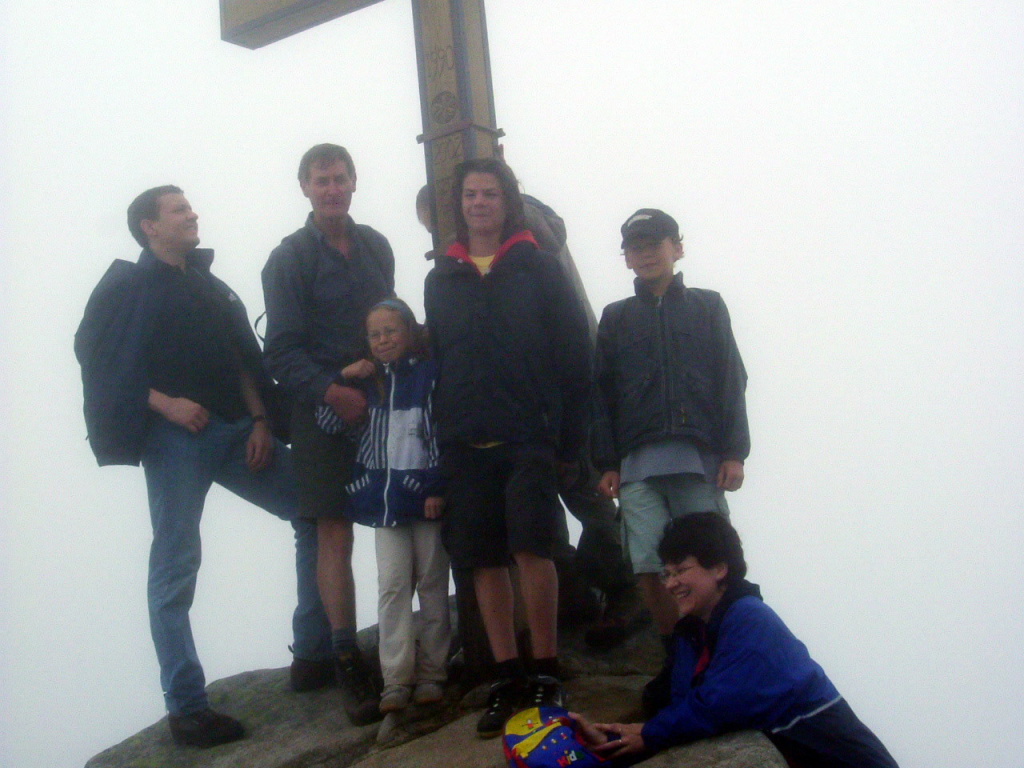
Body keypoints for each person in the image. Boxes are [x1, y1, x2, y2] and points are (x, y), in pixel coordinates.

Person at [75, 185, 331, 748]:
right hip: (174, 441)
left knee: (316, 509)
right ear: (149, 226)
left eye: (189, 207)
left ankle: (315, 654)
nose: (192, 215)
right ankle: (188, 710)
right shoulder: (125, 286)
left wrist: (261, 420)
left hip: (238, 430)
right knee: (175, 568)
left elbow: (241, 356)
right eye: (178, 210)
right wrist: (167, 404)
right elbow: (97, 360)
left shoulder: (208, 285)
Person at [416, 184, 641, 649]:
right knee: (548, 516)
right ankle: (579, 595)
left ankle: (621, 589)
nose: (477, 207)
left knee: (583, 493)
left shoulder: (528, 248)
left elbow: (564, 342)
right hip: (509, 409)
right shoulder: (457, 272)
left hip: (550, 398)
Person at [423, 157, 592, 738]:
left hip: (528, 434)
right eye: (470, 194)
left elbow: (574, 356)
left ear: (507, 201)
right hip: (464, 439)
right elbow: (439, 359)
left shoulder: (538, 267)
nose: (479, 203)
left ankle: (545, 670)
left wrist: (570, 440)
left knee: (532, 548)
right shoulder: (441, 278)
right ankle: (506, 675)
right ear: (459, 204)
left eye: (489, 194)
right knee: (483, 558)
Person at [572, 513, 900, 768]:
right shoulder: (692, 633)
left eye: (681, 570)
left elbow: (723, 702)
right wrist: (607, 738)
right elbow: (673, 708)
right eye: (666, 574)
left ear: (719, 569)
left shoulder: (751, 618)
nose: (670, 584)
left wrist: (648, 733)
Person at [261, 144, 395, 725]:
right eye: (322, 180)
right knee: (332, 531)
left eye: (340, 178)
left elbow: (388, 322)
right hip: (318, 409)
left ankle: (404, 642)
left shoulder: (376, 247)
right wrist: (331, 389)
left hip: (380, 401)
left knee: (398, 516)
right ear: (305, 188)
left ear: (354, 182)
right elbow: (280, 352)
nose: (332, 189)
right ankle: (346, 657)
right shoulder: (287, 259)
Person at [591, 208, 750, 654]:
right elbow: (601, 394)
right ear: (625, 258)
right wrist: (606, 463)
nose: (645, 255)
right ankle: (676, 655)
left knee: (712, 561)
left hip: (698, 459)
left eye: (654, 244)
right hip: (636, 465)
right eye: (635, 248)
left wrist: (734, 452)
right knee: (648, 563)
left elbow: (731, 378)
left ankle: (723, 650)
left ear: (677, 248)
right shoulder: (615, 317)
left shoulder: (708, 306)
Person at [340, 298, 452, 715]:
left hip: (423, 498)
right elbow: (328, 420)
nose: (383, 340)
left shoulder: (428, 375)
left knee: (432, 582)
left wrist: (436, 487)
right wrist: (342, 378)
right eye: (375, 334)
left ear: (408, 332)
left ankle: (433, 672)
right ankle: (396, 679)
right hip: (382, 504)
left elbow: (439, 431)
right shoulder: (366, 385)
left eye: (391, 331)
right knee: (392, 586)